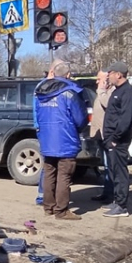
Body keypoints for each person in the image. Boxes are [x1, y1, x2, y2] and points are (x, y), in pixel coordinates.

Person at [33, 60, 85, 220]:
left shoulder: (40, 92)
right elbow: (80, 118)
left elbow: (36, 114)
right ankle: (61, 210)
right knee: (64, 175)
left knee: (49, 172)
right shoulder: (70, 93)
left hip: (47, 139)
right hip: (66, 139)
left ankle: (48, 207)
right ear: (68, 75)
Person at [100, 61, 132, 217]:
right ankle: (117, 201)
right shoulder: (117, 91)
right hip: (111, 138)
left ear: (118, 74)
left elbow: (125, 119)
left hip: (118, 140)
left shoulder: (128, 92)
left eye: (110, 73)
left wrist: (115, 138)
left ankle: (122, 206)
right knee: (114, 171)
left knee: (120, 172)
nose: (108, 76)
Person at [89, 70, 113, 202]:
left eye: (99, 79)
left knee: (110, 166)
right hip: (100, 135)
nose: (97, 82)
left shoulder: (110, 91)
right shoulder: (102, 91)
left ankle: (111, 194)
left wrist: (101, 90)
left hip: (108, 135)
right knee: (106, 166)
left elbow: (107, 104)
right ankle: (106, 192)